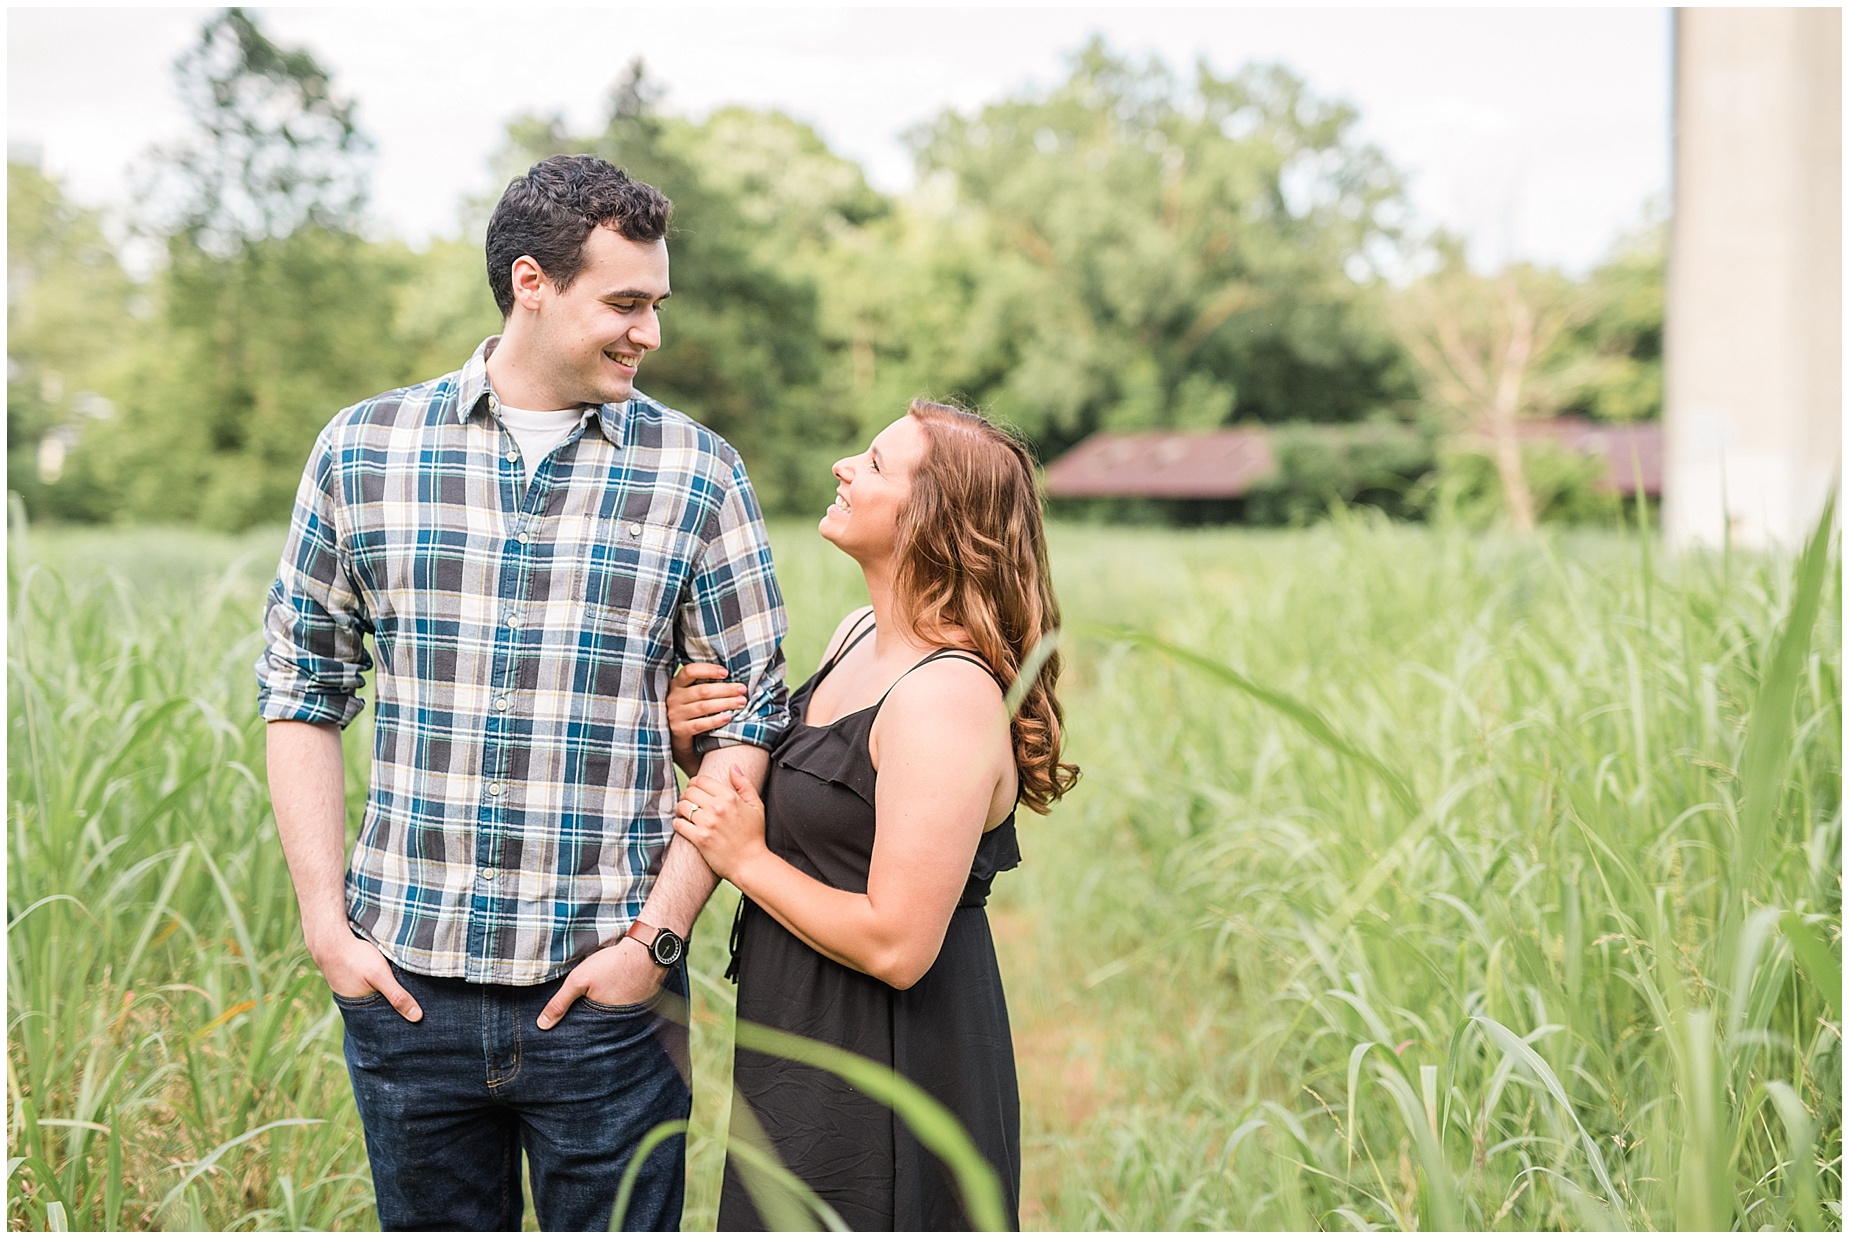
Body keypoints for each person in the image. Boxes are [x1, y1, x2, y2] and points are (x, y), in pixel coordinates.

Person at [256, 154, 790, 1231]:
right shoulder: (364, 451)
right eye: (626, 304)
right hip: (406, 988)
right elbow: (302, 690)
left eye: (657, 305)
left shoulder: (699, 473)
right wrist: (326, 926)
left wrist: (657, 943)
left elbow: (751, 721)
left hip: (614, 1000)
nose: (651, 334)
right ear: (531, 285)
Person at [666, 398, 1079, 1230]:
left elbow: (897, 943)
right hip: (802, 1032)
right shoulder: (857, 635)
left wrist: (744, 861)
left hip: (890, 1061)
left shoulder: (946, 695)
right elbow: (819, 812)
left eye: (877, 464)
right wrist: (698, 751)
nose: (843, 468)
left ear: (934, 519)